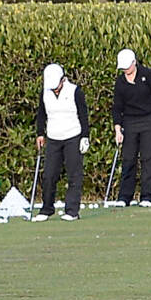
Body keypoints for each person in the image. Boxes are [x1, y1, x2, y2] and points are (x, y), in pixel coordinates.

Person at [35, 62, 89, 221]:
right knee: (49, 175)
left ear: (63, 79)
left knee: (74, 174)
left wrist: (85, 136)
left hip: (73, 135)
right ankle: (46, 209)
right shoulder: (45, 92)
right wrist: (40, 133)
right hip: (53, 137)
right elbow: (41, 114)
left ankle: (72, 211)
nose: (54, 89)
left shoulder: (75, 91)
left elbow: (83, 114)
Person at [112, 49, 151, 207]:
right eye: (123, 68)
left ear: (134, 63)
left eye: (127, 66)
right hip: (130, 122)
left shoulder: (148, 75)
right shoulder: (120, 82)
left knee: (148, 159)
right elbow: (117, 107)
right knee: (128, 159)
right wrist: (118, 130)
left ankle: (147, 197)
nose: (126, 70)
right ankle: (124, 197)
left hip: (150, 120)